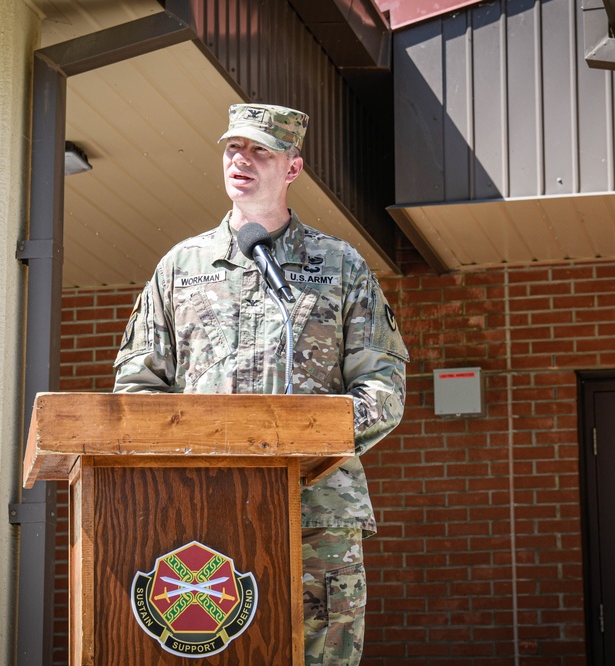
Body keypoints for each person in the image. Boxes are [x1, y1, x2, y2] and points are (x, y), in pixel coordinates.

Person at [112, 102, 408, 665]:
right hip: (203, 506)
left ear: (292, 169)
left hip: (317, 508)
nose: (240, 160)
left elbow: (383, 386)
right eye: (232, 148)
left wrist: (308, 445)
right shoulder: (181, 266)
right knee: (216, 651)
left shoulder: (340, 265)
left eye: (259, 150)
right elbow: (138, 385)